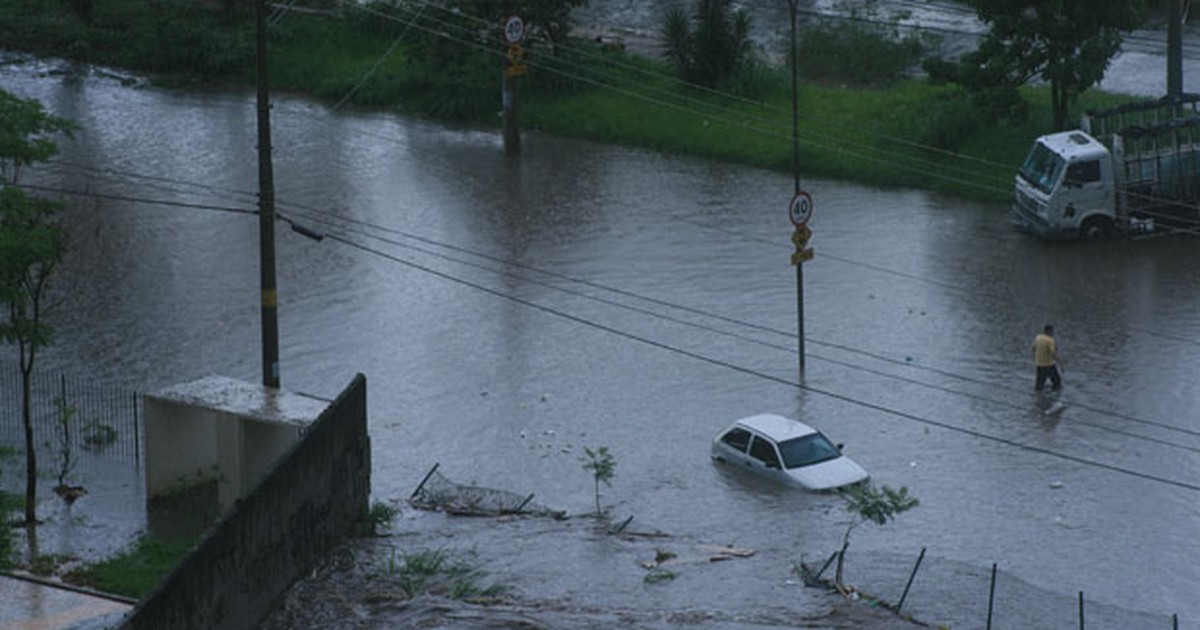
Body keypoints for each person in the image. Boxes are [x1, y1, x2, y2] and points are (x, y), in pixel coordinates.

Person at [1032, 324, 1062, 392]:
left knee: (1039, 385)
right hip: (1048, 365)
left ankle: (1038, 398)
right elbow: (1054, 354)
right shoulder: (1050, 340)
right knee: (1057, 382)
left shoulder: (1038, 337)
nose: (1053, 333)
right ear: (1049, 331)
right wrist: (1060, 364)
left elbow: (1033, 349)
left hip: (1039, 364)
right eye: (1052, 332)